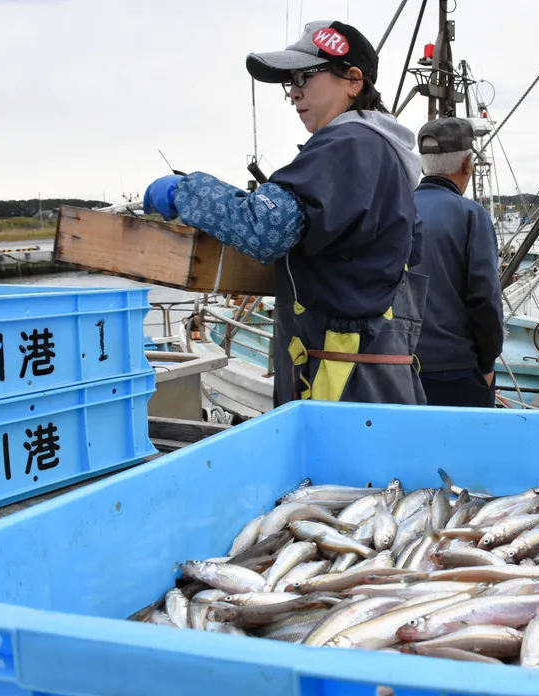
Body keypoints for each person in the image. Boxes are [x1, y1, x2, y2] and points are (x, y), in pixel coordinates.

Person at [142, 21, 428, 407]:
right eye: (290, 82)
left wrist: (184, 191)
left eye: (306, 77)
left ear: (353, 79)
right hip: (377, 366)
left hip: (338, 380)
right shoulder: (385, 153)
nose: (294, 93)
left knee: (330, 469)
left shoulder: (346, 144)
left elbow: (266, 229)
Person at [411, 117, 504, 407]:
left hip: (394, 365)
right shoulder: (471, 216)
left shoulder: (393, 208)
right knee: (465, 451)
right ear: (467, 165)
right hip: (455, 371)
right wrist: (487, 363)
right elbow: (484, 298)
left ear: (424, 163)